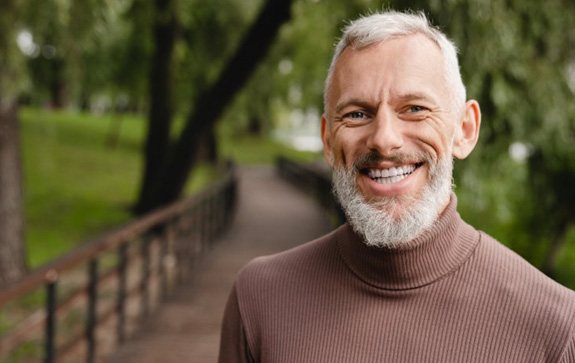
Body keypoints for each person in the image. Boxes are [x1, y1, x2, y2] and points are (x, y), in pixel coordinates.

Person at [218, 11, 575, 363]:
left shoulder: (555, 327)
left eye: (415, 108)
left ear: (465, 130)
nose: (384, 140)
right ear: (328, 140)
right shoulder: (260, 299)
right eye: (357, 114)